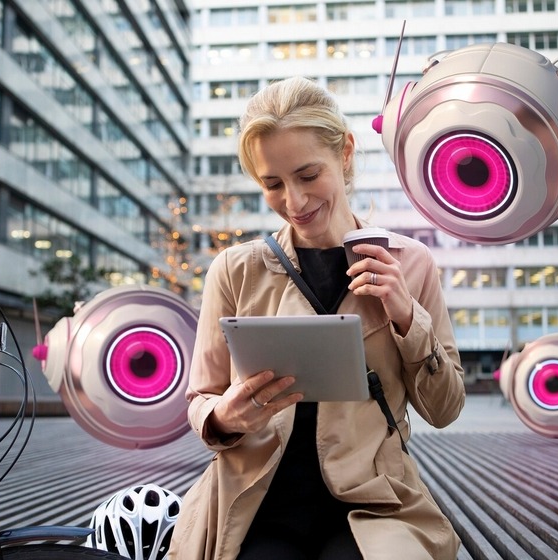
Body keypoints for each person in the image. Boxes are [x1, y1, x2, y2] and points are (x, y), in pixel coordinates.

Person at [168, 76, 465, 560]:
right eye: (272, 184)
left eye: (308, 176)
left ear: (345, 152)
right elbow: (201, 396)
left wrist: (408, 317)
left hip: (374, 502)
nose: (294, 202)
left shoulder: (410, 264)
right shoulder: (235, 270)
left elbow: (445, 409)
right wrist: (225, 415)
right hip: (253, 502)